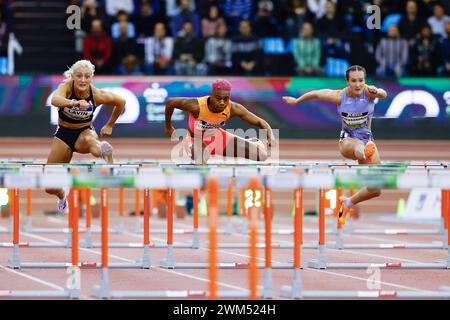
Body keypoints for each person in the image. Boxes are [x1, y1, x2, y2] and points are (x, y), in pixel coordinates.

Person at [282, 65, 387, 224]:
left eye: (361, 80)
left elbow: (384, 94)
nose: (358, 84)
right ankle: (366, 152)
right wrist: (296, 101)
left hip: (367, 139)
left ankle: (348, 202)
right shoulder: (339, 96)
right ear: (347, 82)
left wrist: (378, 91)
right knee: (359, 146)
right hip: (347, 141)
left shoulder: (369, 93)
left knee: (376, 189)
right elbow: (316, 93)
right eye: (353, 81)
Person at [47, 60, 126, 213]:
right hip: (63, 134)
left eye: (87, 76)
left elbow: (121, 101)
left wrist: (109, 125)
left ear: (91, 77)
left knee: (93, 144)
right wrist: (74, 103)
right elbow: (55, 100)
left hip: (84, 131)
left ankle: (104, 151)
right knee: (50, 187)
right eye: (79, 76)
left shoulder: (96, 94)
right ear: (73, 76)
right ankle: (63, 195)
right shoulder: (67, 87)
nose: (83, 80)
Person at [165, 79, 274, 164]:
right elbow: (170, 102)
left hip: (218, 139)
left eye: (226, 99)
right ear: (211, 95)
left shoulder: (233, 108)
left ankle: (253, 142)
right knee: (201, 159)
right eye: (218, 98)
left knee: (262, 156)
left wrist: (271, 137)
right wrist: (169, 128)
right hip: (195, 140)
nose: (222, 102)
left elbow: (261, 122)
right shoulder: (196, 105)